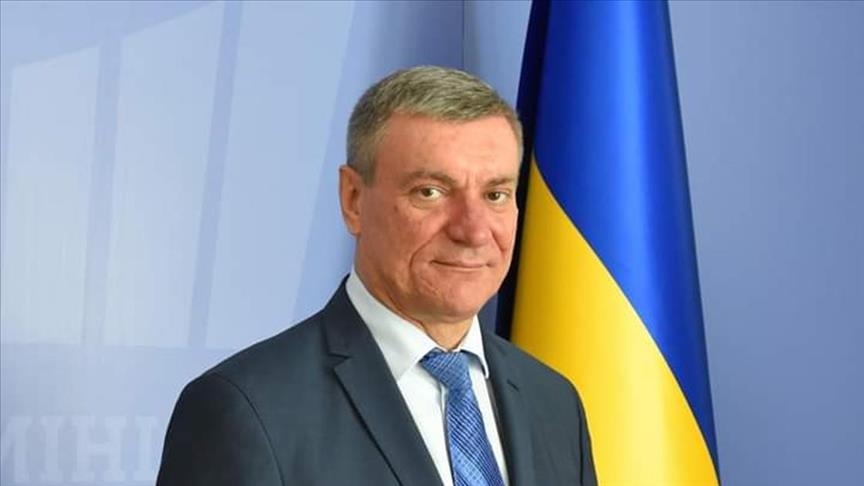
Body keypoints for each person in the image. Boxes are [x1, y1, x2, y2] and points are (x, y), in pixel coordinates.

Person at [156, 66, 596, 486]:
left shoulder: (554, 403)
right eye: (430, 192)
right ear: (353, 199)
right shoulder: (248, 410)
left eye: (495, 194)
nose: (473, 230)